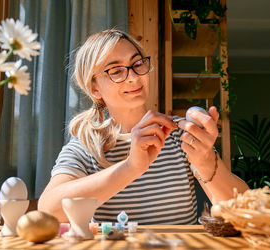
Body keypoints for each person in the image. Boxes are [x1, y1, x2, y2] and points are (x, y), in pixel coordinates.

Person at [38, 29, 248, 224]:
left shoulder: (177, 134)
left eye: (137, 64)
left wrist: (206, 161)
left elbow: (242, 209)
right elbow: (48, 210)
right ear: (94, 89)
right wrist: (131, 167)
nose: (133, 77)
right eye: (116, 70)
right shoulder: (87, 146)